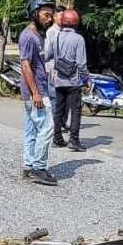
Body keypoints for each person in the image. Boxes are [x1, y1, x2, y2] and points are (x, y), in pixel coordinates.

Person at [20, 0, 58, 185]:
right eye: (45, 14)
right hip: (36, 92)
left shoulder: (37, 35)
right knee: (47, 127)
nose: (49, 18)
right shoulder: (28, 36)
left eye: (51, 15)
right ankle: (39, 168)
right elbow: (25, 65)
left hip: (37, 90)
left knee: (32, 130)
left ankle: (28, 165)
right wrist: (36, 92)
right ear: (34, 14)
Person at [45, 8, 88, 152]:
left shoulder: (55, 36)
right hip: (73, 81)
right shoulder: (79, 39)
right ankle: (74, 140)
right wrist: (86, 79)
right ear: (76, 23)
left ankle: (57, 138)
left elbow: (48, 55)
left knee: (58, 110)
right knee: (75, 110)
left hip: (59, 79)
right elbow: (81, 63)